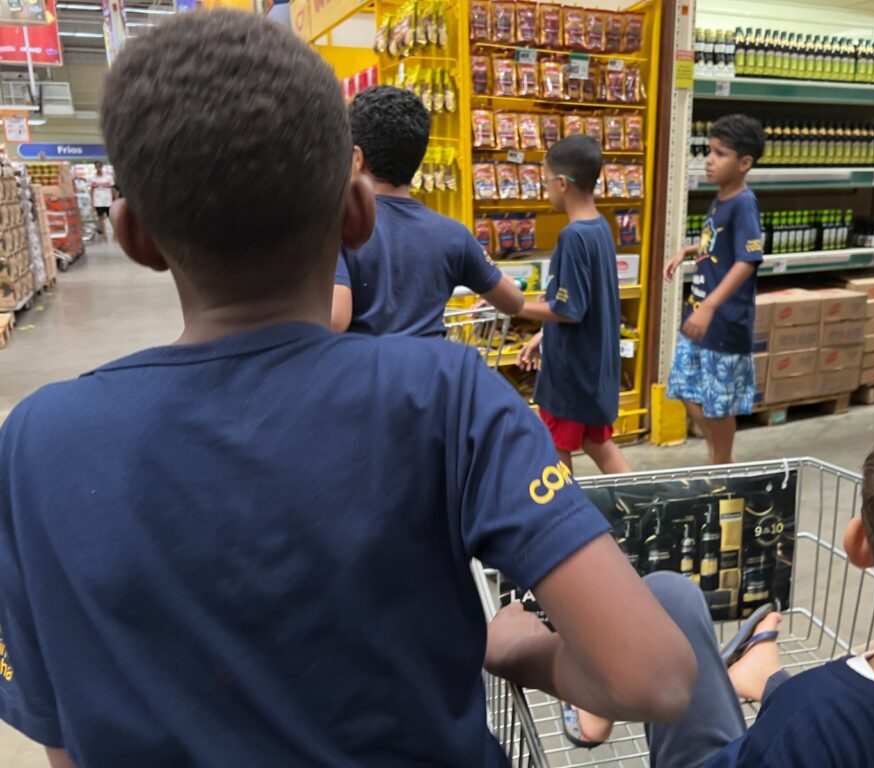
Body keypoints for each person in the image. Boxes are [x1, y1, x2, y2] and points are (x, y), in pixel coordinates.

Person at [0, 12, 698, 768]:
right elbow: (652, 676)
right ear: (358, 213)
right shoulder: (448, 397)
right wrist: (511, 646)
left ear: (133, 235)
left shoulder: (37, 443)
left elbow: (61, 732)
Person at [570, 406, 874, 767]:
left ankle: (612, 689)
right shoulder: (815, 711)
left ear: (859, 543)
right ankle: (763, 675)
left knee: (670, 595)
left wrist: (784, 701)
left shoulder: (811, 714)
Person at [330, 85, 523, 335]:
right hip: (433, 358)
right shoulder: (453, 234)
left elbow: (336, 320)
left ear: (357, 158)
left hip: (364, 359)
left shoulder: (339, 228)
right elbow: (513, 302)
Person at [515, 135, 630, 474]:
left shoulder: (573, 237)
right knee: (597, 442)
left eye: (545, 182)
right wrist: (543, 335)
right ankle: (642, 501)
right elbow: (585, 302)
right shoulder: (600, 228)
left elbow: (568, 310)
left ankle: (566, 509)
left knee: (556, 448)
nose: (545, 190)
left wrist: (514, 305)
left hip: (569, 374)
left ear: (562, 183)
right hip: (595, 369)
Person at [663, 115, 765, 465]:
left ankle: (721, 463)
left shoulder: (743, 203)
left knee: (718, 405)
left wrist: (710, 307)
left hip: (723, 322)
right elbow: (719, 245)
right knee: (684, 386)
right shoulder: (721, 199)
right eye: (709, 151)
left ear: (744, 163)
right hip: (699, 316)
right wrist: (688, 251)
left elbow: (747, 260)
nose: (709, 160)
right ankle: (720, 458)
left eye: (720, 154)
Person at [90, 161, 115, 243]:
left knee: (111, 217)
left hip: (108, 200)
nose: (98, 168)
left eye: (99, 167)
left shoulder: (108, 177)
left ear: (102, 167)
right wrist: (92, 202)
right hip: (98, 201)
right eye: (97, 167)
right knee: (100, 218)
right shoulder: (93, 178)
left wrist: (114, 199)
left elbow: (112, 189)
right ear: (95, 168)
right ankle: (104, 235)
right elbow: (92, 190)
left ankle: (115, 233)